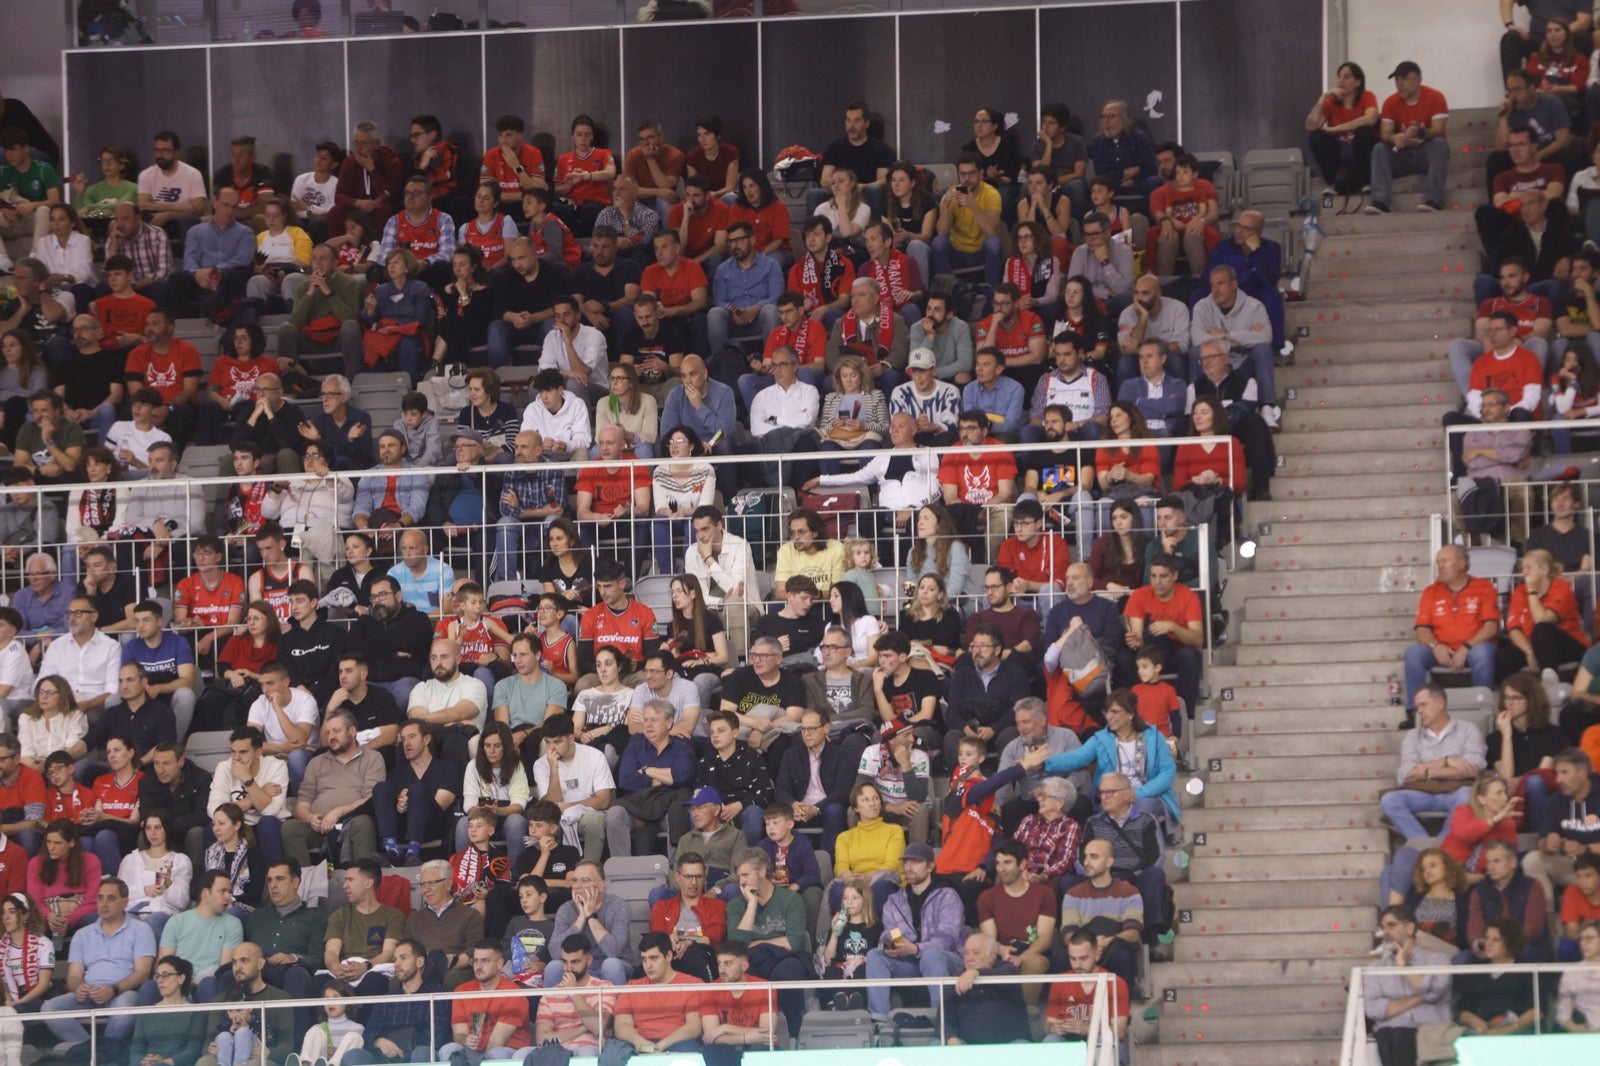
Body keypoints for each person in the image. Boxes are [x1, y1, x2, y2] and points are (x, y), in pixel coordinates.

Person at [39, 876, 156, 1058]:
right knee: (49, 1008)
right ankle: (96, 1053)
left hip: (123, 993)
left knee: (125, 1007)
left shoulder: (140, 929)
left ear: (124, 902)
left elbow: (142, 972)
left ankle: (97, 1054)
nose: (103, 904)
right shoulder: (82, 934)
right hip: (89, 993)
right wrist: (79, 987)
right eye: (100, 898)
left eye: (111, 898)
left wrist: (114, 989)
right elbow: (74, 976)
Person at [863, 843, 964, 1022]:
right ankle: (879, 1022)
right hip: (910, 961)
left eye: (916, 862)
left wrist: (916, 949)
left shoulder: (947, 895)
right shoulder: (895, 901)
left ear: (930, 866)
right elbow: (889, 933)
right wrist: (892, 945)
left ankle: (941, 1022)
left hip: (948, 960)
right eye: (906, 862)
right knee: (875, 955)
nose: (909, 867)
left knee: (931, 956)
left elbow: (948, 938)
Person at [1402, 546, 1503, 725]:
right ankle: (1415, 712)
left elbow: (1491, 627)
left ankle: (1482, 709)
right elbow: (1421, 631)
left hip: (1474, 648)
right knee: (1414, 653)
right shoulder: (1431, 591)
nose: (1440, 566)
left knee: (1484, 653)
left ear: (1462, 564)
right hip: (1441, 649)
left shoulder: (1484, 588)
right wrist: (1435, 646)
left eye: (1445, 561)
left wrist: (1467, 647)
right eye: (1438, 562)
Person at [724, 851, 812, 1039]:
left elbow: (795, 941)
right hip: (753, 961)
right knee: (745, 971)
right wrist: (752, 904)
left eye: (746, 875)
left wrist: (758, 942)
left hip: (784, 959)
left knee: (789, 970)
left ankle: (793, 1033)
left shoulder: (790, 899)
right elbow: (737, 945)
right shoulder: (736, 905)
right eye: (739, 876)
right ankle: (754, 1036)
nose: (742, 881)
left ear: (762, 872)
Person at [282, 711, 384, 867]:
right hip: (318, 828)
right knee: (290, 828)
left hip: (353, 822)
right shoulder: (316, 762)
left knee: (363, 823)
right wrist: (311, 818)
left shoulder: (372, 758)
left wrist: (338, 812)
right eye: (328, 733)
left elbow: (371, 799)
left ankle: (362, 883)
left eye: (336, 731)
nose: (331, 737)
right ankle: (303, 886)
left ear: (352, 731)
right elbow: (302, 803)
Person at [1364, 61, 1451, 216]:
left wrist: (1420, 132)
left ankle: (1434, 199)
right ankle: (1380, 201)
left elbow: (1439, 130)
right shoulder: (1391, 102)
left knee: (1439, 144)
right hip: (1403, 155)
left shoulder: (1435, 97)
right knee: (1379, 148)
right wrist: (1394, 138)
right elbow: (1385, 133)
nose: (1399, 84)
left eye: (1404, 79)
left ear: (1418, 79)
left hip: (1427, 154)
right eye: (1396, 80)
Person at [1307, 61, 1382, 202]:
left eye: (1347, 77)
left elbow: (1371, 119)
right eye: (1339, 77)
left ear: (1358, 82)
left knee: (1365, 131)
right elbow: (1311, 126)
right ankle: (1334, 182)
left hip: (1359, 156)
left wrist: (1336, 128)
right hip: (1340, 158)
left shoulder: (1367, 96)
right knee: (1316, 137)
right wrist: (1323, 98)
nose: (1341, 80)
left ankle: (1367, 181)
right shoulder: (1331, 102)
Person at [931, 153, 1004, 286]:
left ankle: (992, 293)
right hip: (957, 253)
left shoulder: (991, 194)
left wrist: (973, 206)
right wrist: (946, 207)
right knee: (938, 242)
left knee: (994, 243)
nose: (966, 179)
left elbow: (992, 231)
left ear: (981, 173)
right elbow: (942, 232)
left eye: (971, 174)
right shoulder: (952, 193)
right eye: (962, 174)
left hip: (981, 251)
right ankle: (950, 290)